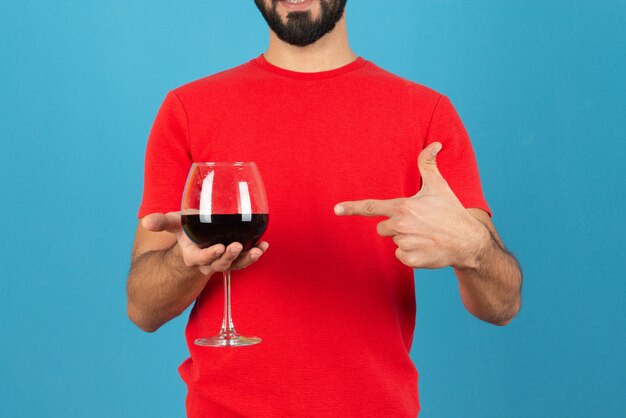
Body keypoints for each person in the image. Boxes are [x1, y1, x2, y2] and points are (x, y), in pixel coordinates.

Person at [127, 0, 523, 416]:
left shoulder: (427, 115)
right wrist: (187, 263)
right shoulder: (187, 110)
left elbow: (502, 305)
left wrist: (474, 249)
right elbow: (143, 309)